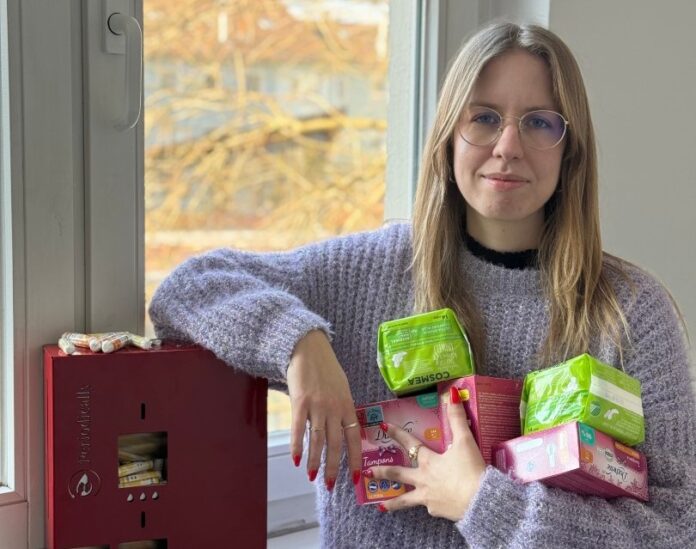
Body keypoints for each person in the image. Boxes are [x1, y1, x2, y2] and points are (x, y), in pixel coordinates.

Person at [149, 21, 696, 548]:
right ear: (447, 138)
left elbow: (680, 528)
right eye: (483, 117)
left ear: (570, 150)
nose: (507, 145)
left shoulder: (631, 312)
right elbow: (189, 288)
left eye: (539, 122)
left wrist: (481, 501)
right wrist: (300, 344)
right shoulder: (370, 271)